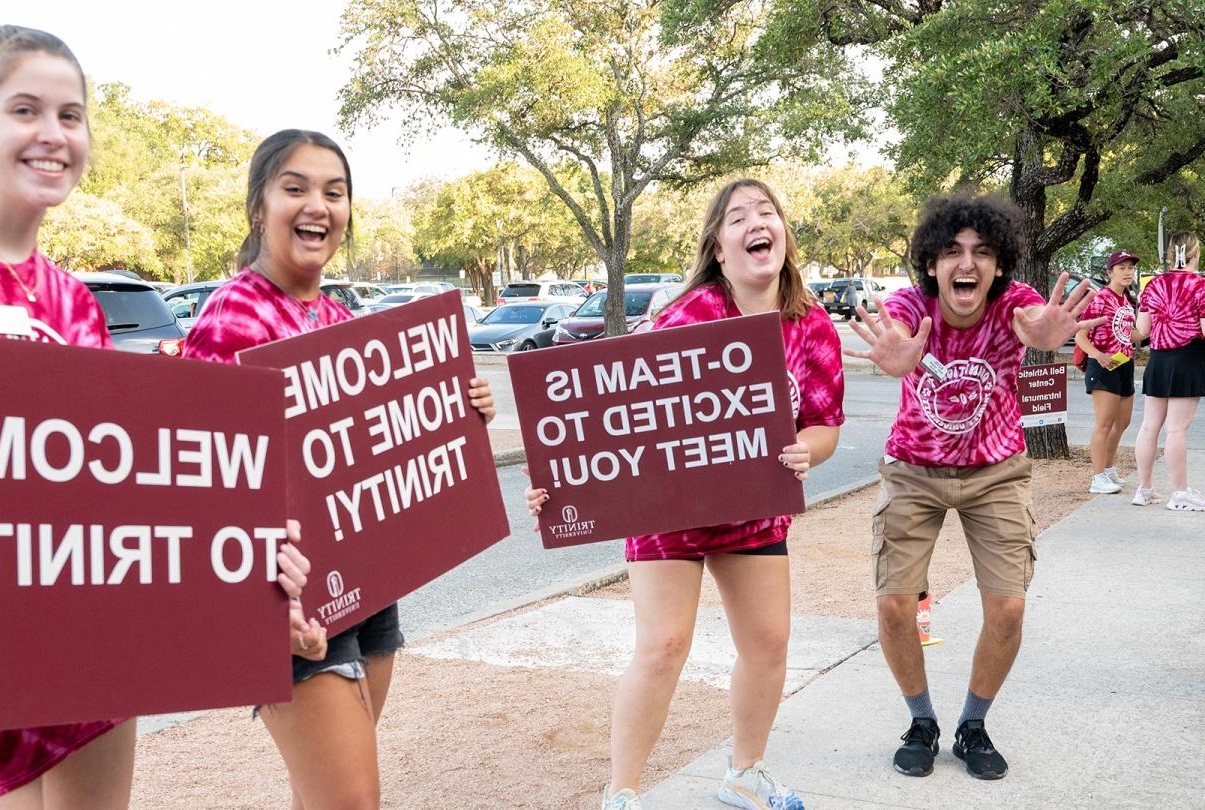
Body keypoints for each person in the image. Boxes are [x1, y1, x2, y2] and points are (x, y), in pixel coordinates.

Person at [0, 27, 315, 809]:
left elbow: (118, 501)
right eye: (26, 109)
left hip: (89, 664)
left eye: (72, 115)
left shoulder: (75, 304)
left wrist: (253, 586)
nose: (54, 135)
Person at [181, 128, 496, 809]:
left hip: (367, 582)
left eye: (334, 191)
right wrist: (266, 602)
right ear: (258, 207)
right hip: (283, 599)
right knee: (352, 798)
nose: (316, 205)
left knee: (326, 795)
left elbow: (387, 439)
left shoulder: (338, 316)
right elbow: (197, 472)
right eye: (294, 188)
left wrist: (458, 407)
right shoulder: (231, 318)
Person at [530, 178, 844, 810]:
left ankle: (744, 774)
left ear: (783, 233)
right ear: (719, 249)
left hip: (754, 511)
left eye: (766, 212)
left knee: (769, 644)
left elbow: (826, 423)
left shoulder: (810, 326)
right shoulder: (690, 313)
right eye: (738, 217)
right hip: (672, 511)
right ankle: (620, 794)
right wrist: (562, 482)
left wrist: (805, 450)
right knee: (664, 645)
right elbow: (614, 407)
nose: (757, 222)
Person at [845, 193, 1103, 782]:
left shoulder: (1015, 302)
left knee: (1009, 608)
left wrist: (1045, 334)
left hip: (996, 473)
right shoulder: (912, 306)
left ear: (999, 265)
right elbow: (902, 328)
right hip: (913, 469)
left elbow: (1033, 323)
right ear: (933, 265)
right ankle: (922, 722)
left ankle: (972, 725)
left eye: (982, 253)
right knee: (893, 605)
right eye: (953, 252)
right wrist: (894, 354)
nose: (967, 263)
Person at [1131, 232, 1205, 510]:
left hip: (1158, 360)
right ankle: (1181, 493)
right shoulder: (1201, 287)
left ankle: (1144, 489)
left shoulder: (1152, 286)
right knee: (1176, 430)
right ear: (1195, 254)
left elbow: (1142, 332)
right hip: (1187, 359)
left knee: (1149, 426)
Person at [1077, 250, 1139, 494]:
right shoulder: (1101, 298)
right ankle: (1097, 477)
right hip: (1103, 365)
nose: (1127, 272)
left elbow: (1131, 333)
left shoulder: (1127, 300)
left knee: (1123, 422)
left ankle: (1109, 468)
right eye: (1122, 267)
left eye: (1130, 268)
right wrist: (1098, 356)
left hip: (1125, 363)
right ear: (1110, 271)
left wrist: (1157, 326)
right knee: (1105, 423)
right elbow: (1080, 334)